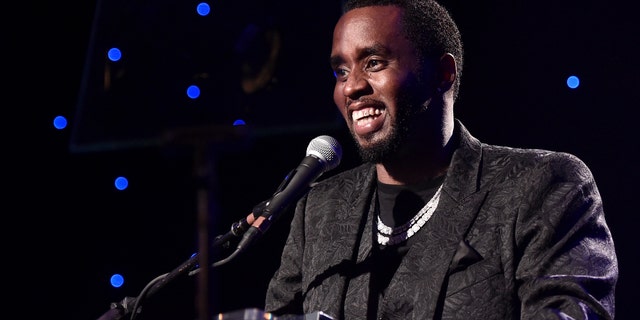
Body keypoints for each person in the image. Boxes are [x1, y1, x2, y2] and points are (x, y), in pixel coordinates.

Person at [263, 0, 618, 319]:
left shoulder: (541, 186)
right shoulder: (319, 210)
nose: (351, 87)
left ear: (442, 74)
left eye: (373, 63)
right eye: (341, 71)